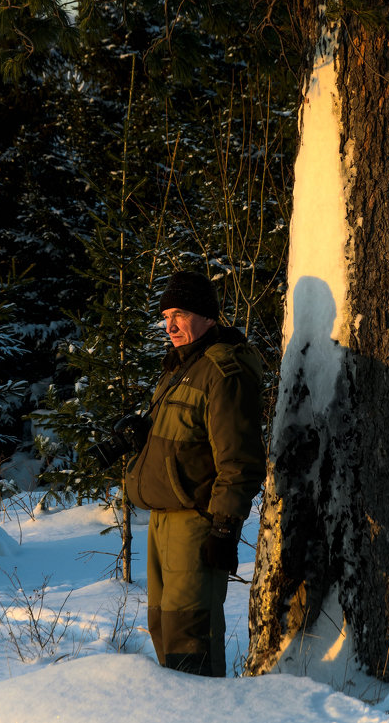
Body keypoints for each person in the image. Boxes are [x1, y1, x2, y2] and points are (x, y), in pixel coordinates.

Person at [125, 270, 265, 677]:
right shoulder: (180, 367)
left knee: (191, 640)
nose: (169, 326)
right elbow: (185, 439)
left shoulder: (224, 371)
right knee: (163, 630)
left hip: (196, 524)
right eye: (165, 315)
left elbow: (240, 460)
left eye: (180, 314)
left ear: (207, 316)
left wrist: (224, 530)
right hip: (161, 522)